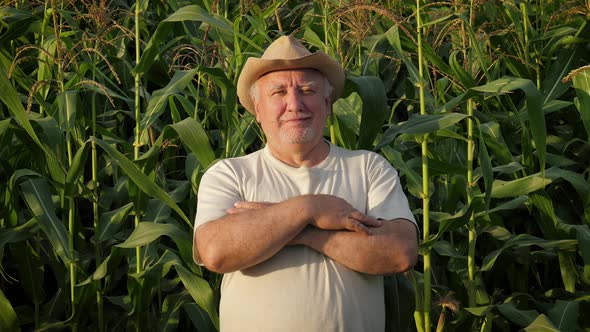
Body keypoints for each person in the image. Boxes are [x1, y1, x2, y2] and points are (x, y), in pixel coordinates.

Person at [192, 35, 418, 332]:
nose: (294, 104)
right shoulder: (230, 174)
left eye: (307, 90)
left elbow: (400, 252)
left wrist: (303, 233)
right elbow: (215, 251)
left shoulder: (367, 168)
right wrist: (311, 208)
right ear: (258, 110)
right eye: (278, 92)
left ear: (326, 103)